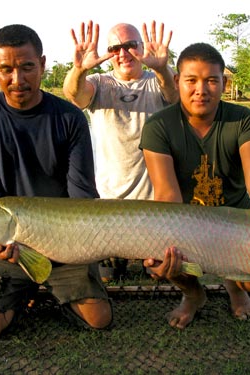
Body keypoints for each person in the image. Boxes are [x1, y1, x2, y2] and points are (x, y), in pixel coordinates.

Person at [139, 42, 250, 329]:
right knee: (160, 261)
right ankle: (193, 294)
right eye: (191, 80)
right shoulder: (158, 125)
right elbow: (166, 193)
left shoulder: (242, 119)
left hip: (237, 226)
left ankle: (236, 287)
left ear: (224, 83)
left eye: (211, 80)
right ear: (177, 82)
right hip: (188, 225)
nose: (201, 89)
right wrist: (163, 243)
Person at [0, 24, 112, 340]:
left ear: (42, 65)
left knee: (99, 319)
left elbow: (82, 196)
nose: (17, 80)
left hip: (66, 245)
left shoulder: (70, 118)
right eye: (6, 69)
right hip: (10, 246)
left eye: (27, 67)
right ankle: (22, 291)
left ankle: (52, 293)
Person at [63, 20, 178, 280]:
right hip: (109, 205)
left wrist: (161, 68)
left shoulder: (156, 82)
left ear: (142, 47)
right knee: (107, 276)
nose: (123, 54)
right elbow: (74, 96)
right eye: (115, 48)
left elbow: (175, 97)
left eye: (130, 46)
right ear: (109, 54)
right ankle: (116, 257)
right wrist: (79, 69)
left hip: (153, 205)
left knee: (160, 272)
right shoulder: (99, 83)